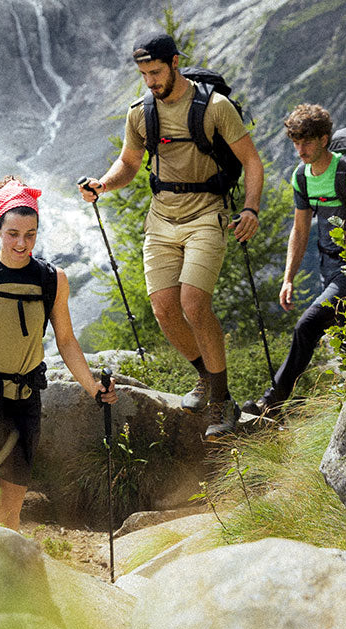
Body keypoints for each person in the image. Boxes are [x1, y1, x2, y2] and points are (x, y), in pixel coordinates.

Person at [79, 33, 264, 439]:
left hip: (207, 213)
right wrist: (103, 184)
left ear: (175, 62)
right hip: (161, 217)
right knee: (164, 309)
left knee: (193, 303)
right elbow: (129, 163)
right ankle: (205, 377)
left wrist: (250, 208)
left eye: (156, 72)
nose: (150, 81)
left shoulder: (215, 107)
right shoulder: (140, 113)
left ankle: (222, 401)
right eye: (144, 74)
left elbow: (251, 161)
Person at [0, 176, 115, 531]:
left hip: (24, 401)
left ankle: (9, 568)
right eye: (13, 233)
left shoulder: (51, 279)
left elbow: (66, 341)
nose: (21, 243)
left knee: (10, 513)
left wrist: (94, 388)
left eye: (30, 234)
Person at [241, 103, 346, 420]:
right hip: (327, 267)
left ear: (323, 139)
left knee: (307, 325)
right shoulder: (302, 177)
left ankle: (270, 403)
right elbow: (300, 230)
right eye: (296, 142)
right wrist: (288, 278)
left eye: (306, 142)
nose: (300, 149)